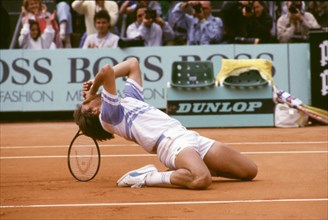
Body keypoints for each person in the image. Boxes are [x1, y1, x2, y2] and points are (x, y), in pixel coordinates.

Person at [73, 58, 258, 189]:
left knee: (249, 171)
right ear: (94, 111)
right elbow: (106, 70)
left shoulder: (130, 100)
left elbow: (132, 64)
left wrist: (91, 82)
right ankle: (147, 177)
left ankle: (187, 168)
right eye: (86, 102)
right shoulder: (109, 115)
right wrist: (94, 86)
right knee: (200, 179)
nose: (88, 97)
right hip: (170, 144)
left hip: (187, 135)